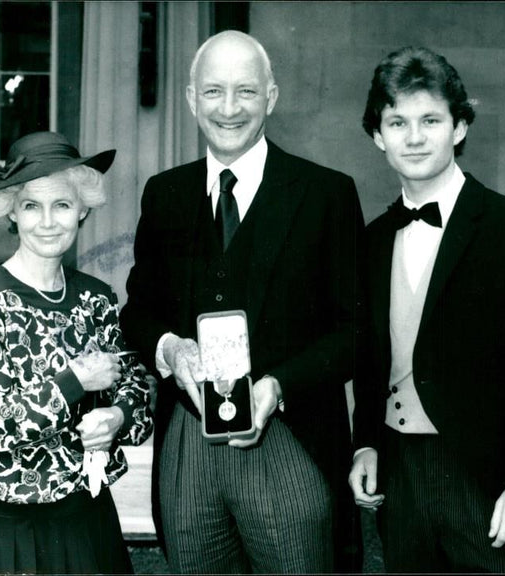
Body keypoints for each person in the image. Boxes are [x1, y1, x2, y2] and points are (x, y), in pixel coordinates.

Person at [120, 30, 364, 574]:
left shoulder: (326, 194)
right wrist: (169, 349)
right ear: (191, 99)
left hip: (289, 439)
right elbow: (138, 311)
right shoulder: (166, 193)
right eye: (213, 92)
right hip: (188, 443)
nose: (229, 109)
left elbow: (355, 332)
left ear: (271, 98)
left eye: (246, 92)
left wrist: (278, 386)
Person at [349, 46, 505, 572]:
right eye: (397, 122)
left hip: (492, 482)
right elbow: (371, 359)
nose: (413, 136)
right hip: (401, 480)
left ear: (459, 128)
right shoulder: (371, 240)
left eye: (430, 119)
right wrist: (366, 444)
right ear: (378, 137)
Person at [0, 131, 153, 575]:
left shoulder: (96, 298)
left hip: (85, 515)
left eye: (61, 205)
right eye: (31, 206)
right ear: (11, 214)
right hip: (7, 525)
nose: (47, 221)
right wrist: (75, 382)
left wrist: (117, 418)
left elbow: (134, 389)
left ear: (81, 210)